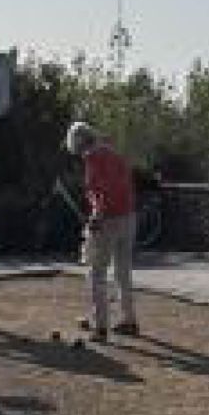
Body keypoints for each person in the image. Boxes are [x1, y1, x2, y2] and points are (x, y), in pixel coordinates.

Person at [67, 121, 139, 342]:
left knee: (96, 273)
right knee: (123, 272)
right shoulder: (113, 154)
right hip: (128, 216)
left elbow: (102, 191)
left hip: (109, 220)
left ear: (79, 142)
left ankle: (100, 327)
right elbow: (121, 186)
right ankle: (129, 320)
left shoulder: (94, 158)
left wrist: (97, 216)